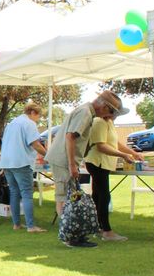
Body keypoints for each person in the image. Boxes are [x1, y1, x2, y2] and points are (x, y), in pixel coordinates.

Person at [46, 90, 126, 248]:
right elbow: (70, 136)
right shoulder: (85, 112)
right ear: (103, 106)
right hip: (63, 161)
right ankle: (70, 237)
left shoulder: (86, 111)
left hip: (65, 160)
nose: (109, 117)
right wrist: (72, 164)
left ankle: (75, 234)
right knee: (64, 199)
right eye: (110, 112)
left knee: (71, 198)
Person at [85, 114, 142, 242]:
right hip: (97, 162)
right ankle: (106, 231)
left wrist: (133, 153)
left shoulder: (109, 122)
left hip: (103, 163)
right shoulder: (99, 121)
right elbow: (101, 146)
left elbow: (115, 143)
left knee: (98, 196)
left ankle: (98, 228)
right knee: (104, 196)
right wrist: (123, 155)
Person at [0, 102, 47, 232]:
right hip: (21, 161)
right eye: (38, 116)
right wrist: (49, 155)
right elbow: (35, 144)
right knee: (26, 194)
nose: (38, 119)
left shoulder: (12, 123)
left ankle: (16, 224)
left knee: (14, 192)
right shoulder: (29, 123)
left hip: (7, 162)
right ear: (33, 113)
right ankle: (31, 226)